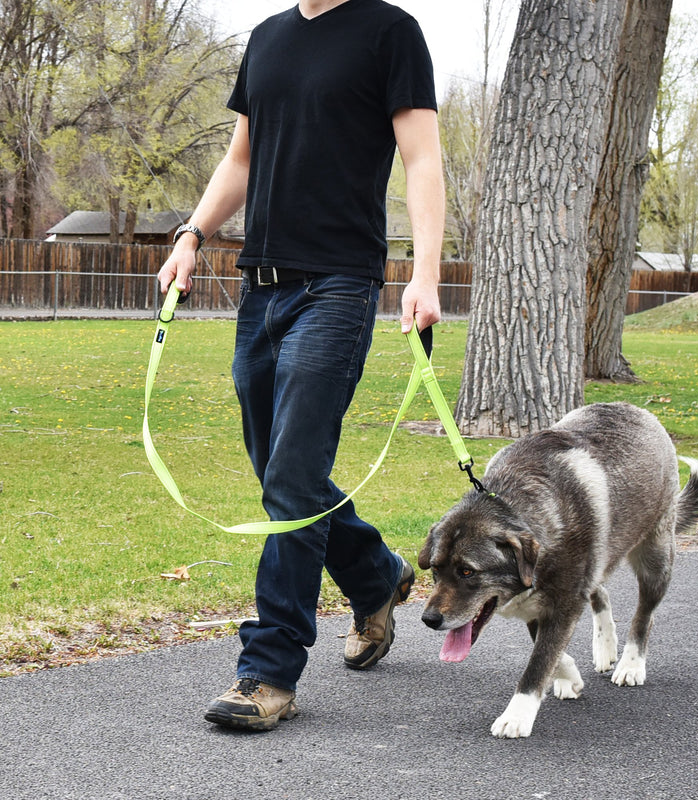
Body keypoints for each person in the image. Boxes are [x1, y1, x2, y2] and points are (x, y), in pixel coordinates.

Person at [157, 0, 444, 732]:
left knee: (290, 476)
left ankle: (267, 672)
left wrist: (425, 273)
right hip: (261, 287)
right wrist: (193, 232)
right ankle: (375, 574)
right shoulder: (269, 38)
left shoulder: (390, 32)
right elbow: (241, 158)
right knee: (281, 470)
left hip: (339, 286)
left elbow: (422, 159)